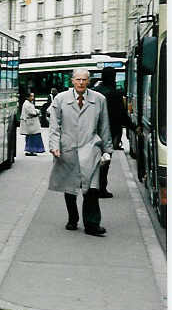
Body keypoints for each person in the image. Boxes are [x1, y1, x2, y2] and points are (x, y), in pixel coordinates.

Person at [48, 68, 112, 236]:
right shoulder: (60, 99)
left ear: (89, 81)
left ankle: (92, 224)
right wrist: (54, 145)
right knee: (70, 187)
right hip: (67, 149)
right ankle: (73, 218)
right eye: (78, 79)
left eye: (84, 80)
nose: (81, 83)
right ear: (72, 81)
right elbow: (54, 126)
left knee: (92, 189)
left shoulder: (99, 99)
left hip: (91, 149)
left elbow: (104, 126)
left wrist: (107, 150)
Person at [94, 66, 127, 198]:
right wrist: (134, 127)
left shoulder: (94, 91)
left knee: (93, 159)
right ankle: (101, 188)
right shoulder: (115, 93)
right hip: (110, 131)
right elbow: (122, 114)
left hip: (93, 131)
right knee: (105, 159)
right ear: (113, 77)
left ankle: (91, 185)